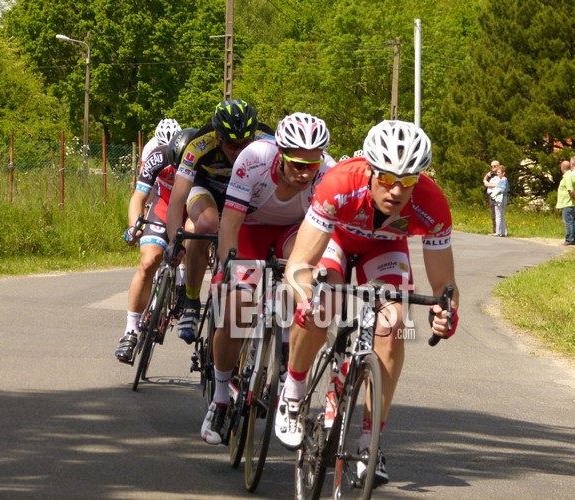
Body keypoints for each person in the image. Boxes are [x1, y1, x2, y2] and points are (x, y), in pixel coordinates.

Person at [275, 120, 460, 485]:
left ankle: (368, 443)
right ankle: (293, 394)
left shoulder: (432, 203)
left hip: (385, 248)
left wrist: (447, 314)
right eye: (387, 178)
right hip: (336, 240)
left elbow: (445, 286)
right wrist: (305, 297)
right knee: (323, 305)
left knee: (392, 326)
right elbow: (298, 264)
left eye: (407, 181)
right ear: (371, 170)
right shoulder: (340, 183)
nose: (396, 190)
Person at [200, 112, 335, 444]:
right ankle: (220, 397)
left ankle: (286, 349)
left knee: (299, 278)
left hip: (294, 231)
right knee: (235, 308)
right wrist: (230, 271)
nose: (305, 173)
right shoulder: (255, 157)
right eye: (297, 164)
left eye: (312, 165)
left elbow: (323, 240)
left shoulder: (327, 173)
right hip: (250, 228)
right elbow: (230, 223)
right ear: (281, 154)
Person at [165, 100, 274, 345]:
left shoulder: (267, 141)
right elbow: (176, 201)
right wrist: (175, 241)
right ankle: (191, 302)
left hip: (246, 191)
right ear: (218, 137)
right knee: (206, 224)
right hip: (206, 189)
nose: (239, 150)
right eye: (233, 145)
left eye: (246, 143)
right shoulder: (199, 145)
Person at [114, 127, 198, 363]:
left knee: (192, 243)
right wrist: (134, 227)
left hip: (191, 210)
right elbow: (139, 197)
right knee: (149, 261)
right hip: (163, 209)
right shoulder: (158, 157)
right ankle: (130, 331)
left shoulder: (202, 162)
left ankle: (183, 288)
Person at [555, 160, 575, 246]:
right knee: (574, 221)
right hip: (572, 203)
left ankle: (569, 240)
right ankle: (574, 239)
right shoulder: (572, 175)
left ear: (562, 168)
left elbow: (570, 190)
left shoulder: (567, 176)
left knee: (568, 222)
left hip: (568, 203)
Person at [490, 165, 509, 237]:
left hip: (500, 199)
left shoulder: (503, 180)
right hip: (504, 198)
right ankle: (503, 232)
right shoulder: (504, 180)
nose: (497, 174)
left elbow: (502, 189)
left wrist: (495, 191)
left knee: (498, 216)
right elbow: (508, 189)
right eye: (497, 172)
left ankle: (498, 232)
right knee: (502, 216)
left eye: (499, 172)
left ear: (503, 173)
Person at [483, 160, 500, 234]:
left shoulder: (499, 174)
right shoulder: (492, 174)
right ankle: (495, 230)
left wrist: (488, 184)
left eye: (494, 166)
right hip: (491, 195)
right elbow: (484, 180)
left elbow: (498, 185)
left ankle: (497, 231)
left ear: (498, 166)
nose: (493, 167)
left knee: (496, 215)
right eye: (491, 166)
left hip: (496, 196)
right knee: (493, 214)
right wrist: (487, 176)